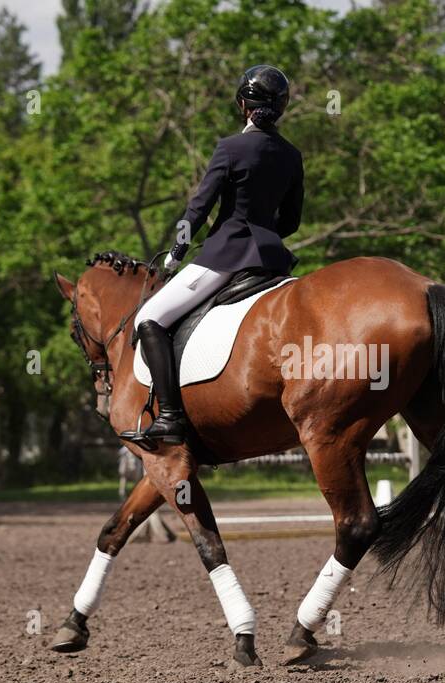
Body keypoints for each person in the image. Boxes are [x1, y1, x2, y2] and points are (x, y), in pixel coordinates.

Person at [119, 65, 305, 448]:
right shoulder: (291, 155)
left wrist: (176, 251)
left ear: (243, 105)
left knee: (149, 317)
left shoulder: (230, 148)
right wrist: (264, 236)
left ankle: (170, 416)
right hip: (272, 260)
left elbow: (198, 208)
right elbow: (291, 221)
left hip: (224, 257)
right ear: (281, 108)